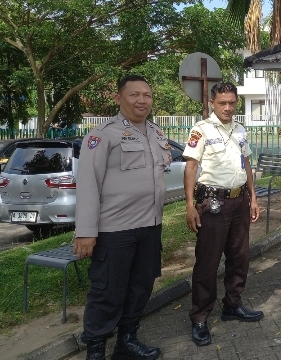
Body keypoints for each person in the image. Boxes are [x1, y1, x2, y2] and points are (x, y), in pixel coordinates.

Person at [74, 75, 170, 360]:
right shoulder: (103, 135)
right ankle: (95, 351)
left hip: (150, 226)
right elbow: (88, 183)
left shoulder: (156, 132)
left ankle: (127, 342)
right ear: (119, 98)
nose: (142, 100)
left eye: (147, 95)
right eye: (134, 95)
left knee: (141, 287)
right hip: (115, 230)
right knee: (108, 292)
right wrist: (86, 231)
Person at [183, 82, 262, 346]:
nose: (227, 107)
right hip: (213, 202)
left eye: (231, 102)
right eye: (222, 103)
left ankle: (233, 304)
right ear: (212, 103)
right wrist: (189, 205)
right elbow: (191, 168)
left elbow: (246, 163)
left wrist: (252, 197)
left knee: (240, 256)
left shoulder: (240, 129)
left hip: (239, 201)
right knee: (208, 261)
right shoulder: (201, 129)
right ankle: (200, 317)